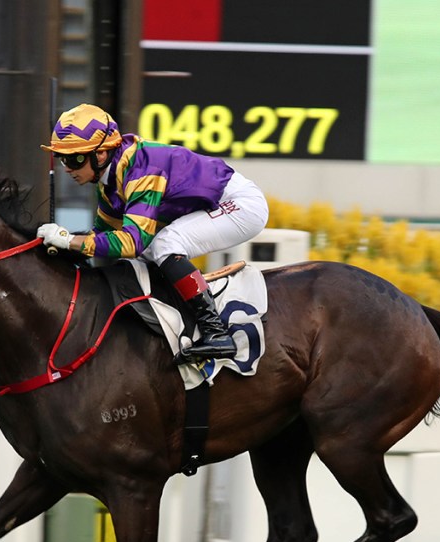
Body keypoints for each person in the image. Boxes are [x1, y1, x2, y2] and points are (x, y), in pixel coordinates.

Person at [38, 103, 269, 364]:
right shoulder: (109, 182)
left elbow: (130, 242)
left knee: (164, 244)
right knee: (149, 251)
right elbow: (103, 237)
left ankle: (216, 332)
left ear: (101, 154)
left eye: (74, 158)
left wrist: (69, 240)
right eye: (62, 159)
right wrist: (61, 246)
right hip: (213, 205)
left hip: (240, 204)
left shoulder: (141, 172)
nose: (67, 167)